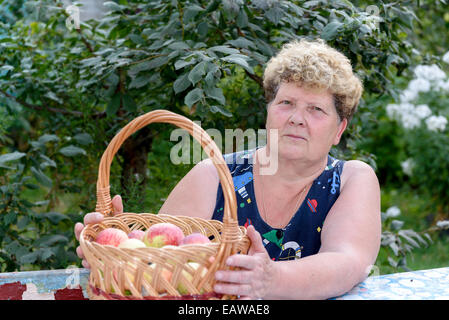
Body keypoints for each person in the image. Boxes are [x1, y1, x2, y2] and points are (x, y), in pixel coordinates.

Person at [75, 38, 381, 300]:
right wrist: (114, 255)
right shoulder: (213, 176)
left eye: (316, 109)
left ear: (339, 128)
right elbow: (158, 265)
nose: (296, 118)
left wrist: (271, 279)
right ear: (268, 112)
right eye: (286, 102)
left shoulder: (350, 180)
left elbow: (349, 261)